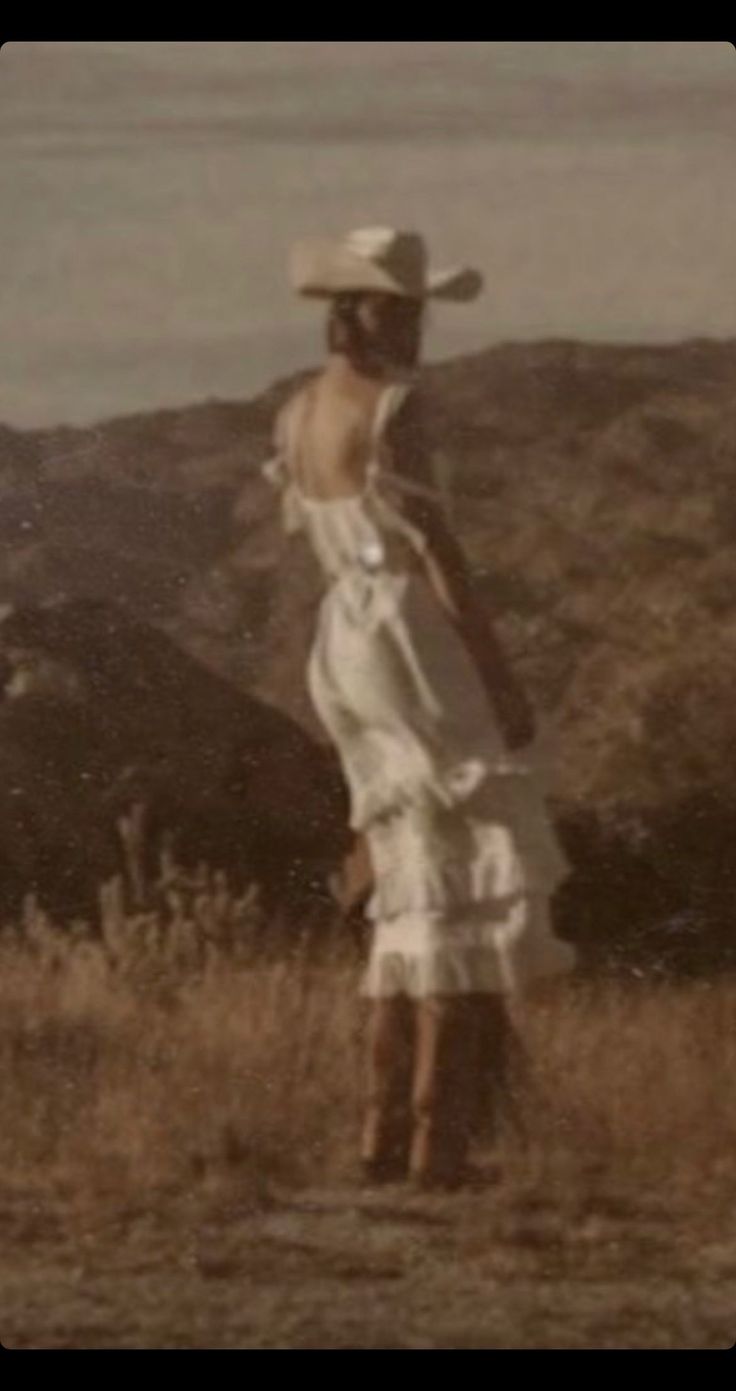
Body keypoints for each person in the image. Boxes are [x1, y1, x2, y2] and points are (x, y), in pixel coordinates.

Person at [262, 227, 575, 1189]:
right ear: (371, 313)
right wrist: (501, 677)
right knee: (453, 874)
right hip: (404, 629)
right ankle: (438, 1144)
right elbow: (437, 552)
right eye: (406, 309)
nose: (419, 327)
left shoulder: (296, 412)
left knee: (407, 873)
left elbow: (320, 541)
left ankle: (380, 1136)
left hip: (342, 638)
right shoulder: (397, 406)